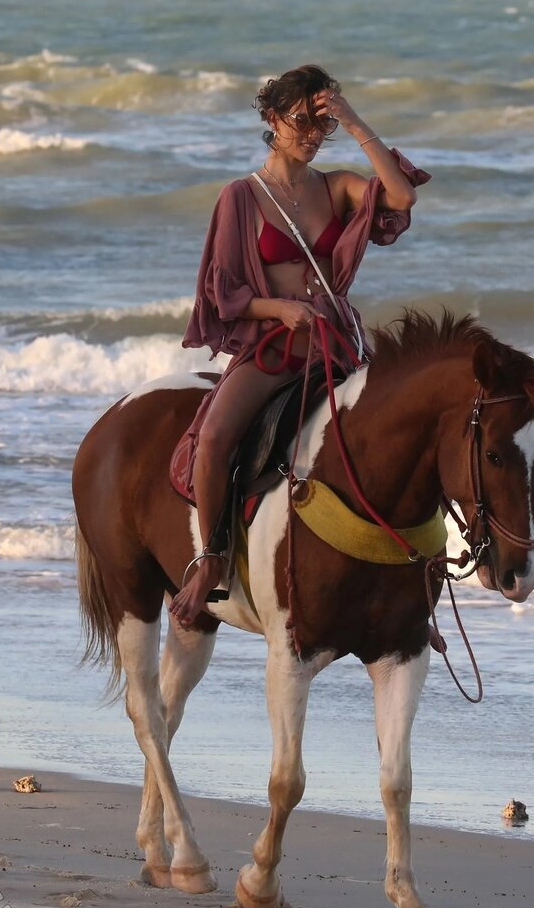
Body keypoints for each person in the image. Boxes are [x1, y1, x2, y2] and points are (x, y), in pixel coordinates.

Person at [170, 64, 431, 628]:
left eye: (321, 125)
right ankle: (211, 561)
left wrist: (353, 120)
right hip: (275, 346)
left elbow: (401, 196)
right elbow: (224, 292)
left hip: (335, 343)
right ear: (271, 118)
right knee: (214, 436)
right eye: (301, 122)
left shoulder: (336, 187)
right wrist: (280, 309)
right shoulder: (241, 197)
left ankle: (408, 581)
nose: (312, 136)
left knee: (399, 437)